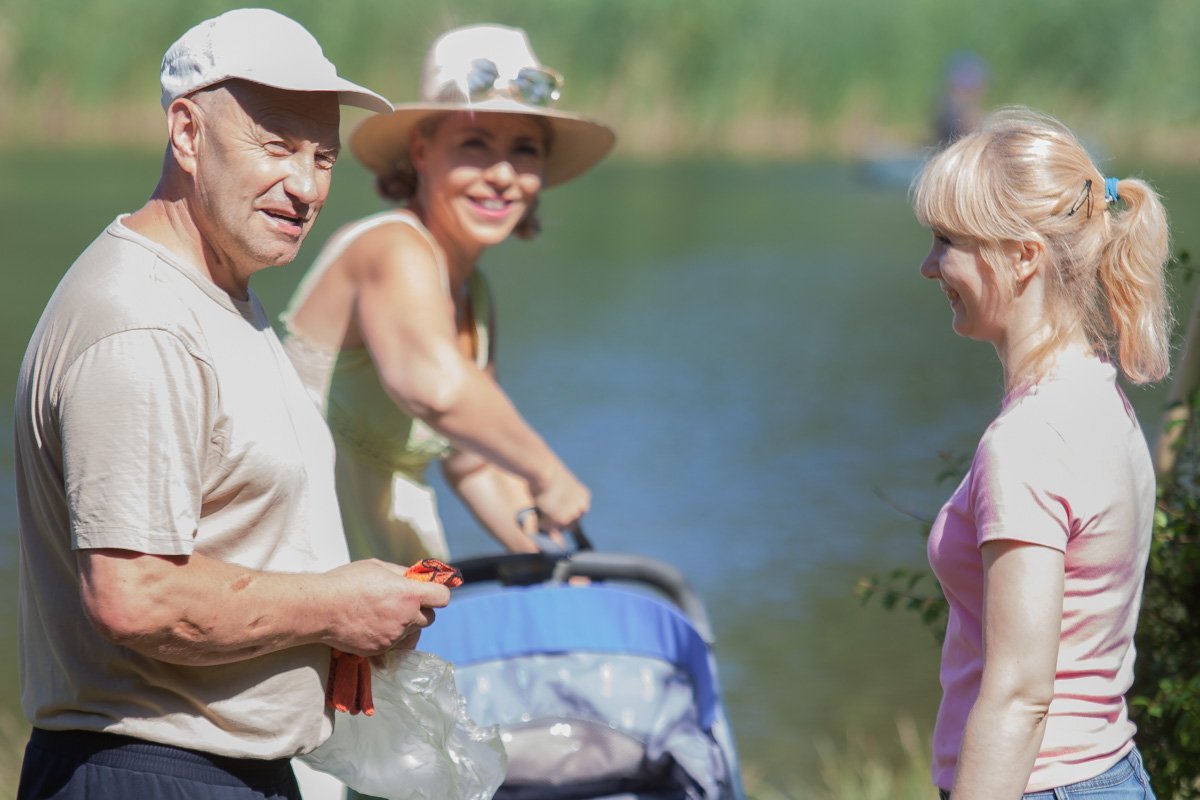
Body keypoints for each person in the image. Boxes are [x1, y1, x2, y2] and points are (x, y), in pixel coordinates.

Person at [13, 9, 454, 800]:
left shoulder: (220, 295)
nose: (307, 186)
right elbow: (136, 596)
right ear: (187, 134)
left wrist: (356, 615)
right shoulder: (142, 322)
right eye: (276, 146)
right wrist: (334, 608)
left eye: (323, 156)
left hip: (227, 772)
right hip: (149, 772)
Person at [280, 23, 615, 565]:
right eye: (474, 145)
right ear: (421, 149)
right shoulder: (392, 248)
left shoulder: (473, 294)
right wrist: (549, 472)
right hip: (302, 569)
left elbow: (473, 461)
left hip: (384, 576)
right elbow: (435, 388)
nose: (503, 175)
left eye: (525, 150)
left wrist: (558, 566)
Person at [913, 107, 1165, 799]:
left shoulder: (1028, 440)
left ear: (1023, 256)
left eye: (946, 242)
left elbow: (1020, 696)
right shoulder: (1099, 398)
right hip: (1108, 772)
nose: (928, 267)